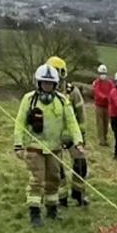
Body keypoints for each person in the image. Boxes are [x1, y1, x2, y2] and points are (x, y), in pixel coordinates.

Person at [14, 63, 84, 227]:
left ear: (55, 84)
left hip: (54, 148)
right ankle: (35, 213)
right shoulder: (28, 100)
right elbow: (19, 123)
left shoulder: (62, 101)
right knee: (37, 180)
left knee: (53, 179)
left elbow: (72, 122)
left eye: (50, 83)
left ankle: (52, 210)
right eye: (44, 83)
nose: (47, 86)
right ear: (38, 83)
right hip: (34, 147)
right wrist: (18, 145)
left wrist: (78, 141)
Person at [46, 55, 89, 207]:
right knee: (56, 170)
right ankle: (61, 197)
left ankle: (78, 193)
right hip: (53, 137)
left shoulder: (73, 92)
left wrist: (80, 137)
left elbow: (81, 116)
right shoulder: (44, 94)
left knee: (81, 165)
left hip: (72, 136)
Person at [92, 63, 113, 147]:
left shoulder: (110, 83)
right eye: (101, 73)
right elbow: (97, 92)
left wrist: (110, 98)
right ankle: (101, 140)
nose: (102, 75)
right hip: (99, 105)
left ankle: (105, 138)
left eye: (104, 73)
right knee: (100, 123)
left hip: (107, 106)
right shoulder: (97, 82)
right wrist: (105, 97)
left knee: (106, 123)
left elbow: (112, 91)